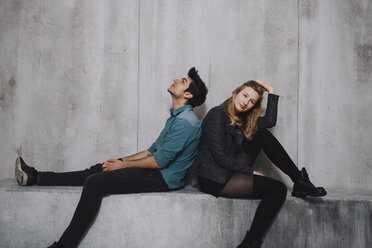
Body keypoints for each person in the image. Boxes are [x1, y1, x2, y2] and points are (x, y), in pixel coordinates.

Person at [14, 67, 208, 248]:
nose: (176, 80)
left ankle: (64, 246)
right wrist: (121, 161)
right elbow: (152, 150)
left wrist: (123, 166)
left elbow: (159, 162)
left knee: (94, 182)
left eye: (182, 81)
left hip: (164, 178)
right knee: (100, 168)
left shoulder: (185, 123)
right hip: (157, 170)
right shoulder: (177, 117)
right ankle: (36, 177)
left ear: (188, 94)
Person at [192, 80, 326, 248]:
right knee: (278, 189)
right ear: (236, 92)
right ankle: (250, 244)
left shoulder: (242, 117)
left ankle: (299, 180)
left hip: (226, 168)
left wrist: (271, 91)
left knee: (261, 133)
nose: (245, 102)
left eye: (251, 101)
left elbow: (269, 121)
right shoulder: (217, 114)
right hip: (214, 177)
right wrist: (250, 172)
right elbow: (221, 158)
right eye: (244, 95)